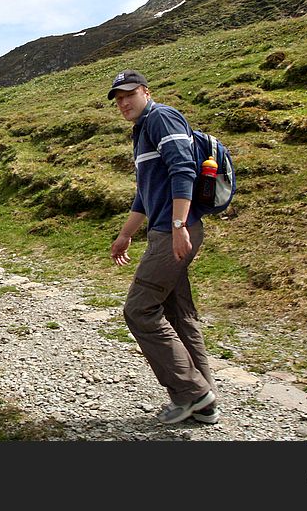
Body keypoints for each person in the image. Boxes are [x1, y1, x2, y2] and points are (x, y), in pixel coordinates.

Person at [107, 69, 219, 425]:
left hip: (174, 231)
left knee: (139, 310)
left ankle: (193, 393)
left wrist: (178, 225)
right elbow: (145, 194)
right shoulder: (142, 131)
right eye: (118, 98)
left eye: (129, 94)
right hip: (164, 231)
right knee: (179, 314)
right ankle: (203, 400)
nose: (123, 102)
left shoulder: (162, 117)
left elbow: (183, 170)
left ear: (145, 91)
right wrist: (125, 234)